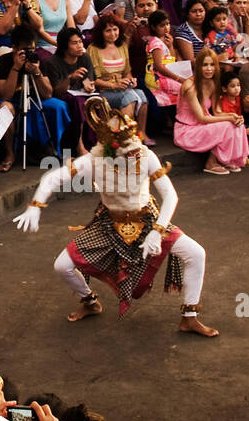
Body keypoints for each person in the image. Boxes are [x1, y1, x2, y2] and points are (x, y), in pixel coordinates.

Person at [15, 97, 218, 337]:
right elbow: (52, 178)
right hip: (109, 224)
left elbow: (170, 196)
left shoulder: (146, 155)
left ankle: (189, 317)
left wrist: (157, 230)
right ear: (111, 148)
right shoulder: (94, 161)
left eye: (134, 145)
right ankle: (89, 301)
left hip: (148, 221)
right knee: (62, 266)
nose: (134, 152)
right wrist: (35, 206)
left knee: (196, 253)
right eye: (127, 149)